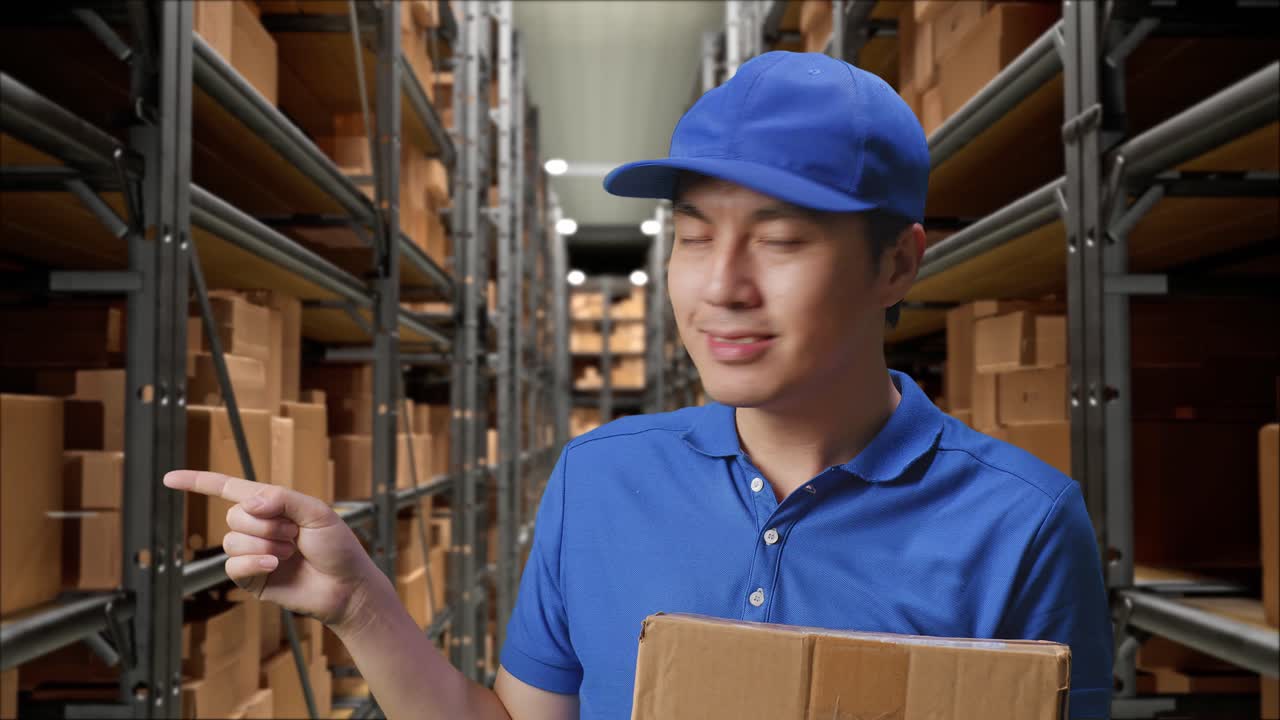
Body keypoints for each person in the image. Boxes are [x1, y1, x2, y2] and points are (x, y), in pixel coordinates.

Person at [165, 51, 1113, 719]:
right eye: (694, 236)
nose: (721, 286)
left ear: (897, 264)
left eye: (782, 239)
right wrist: (360, 607)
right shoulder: (599, 478)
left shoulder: (1020, 525)